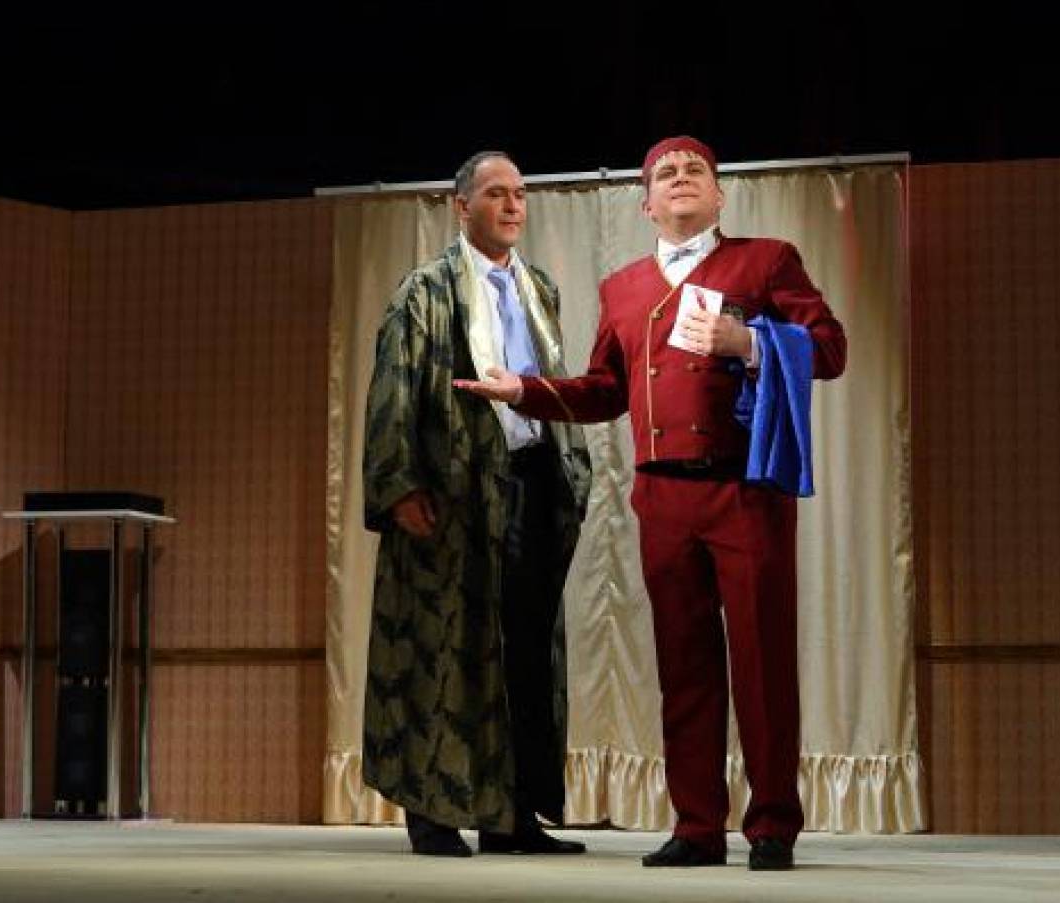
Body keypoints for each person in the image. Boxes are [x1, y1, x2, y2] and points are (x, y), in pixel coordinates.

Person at [456, 136, 846, 870]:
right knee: (683, 664)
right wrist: (524, 390)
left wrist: (749, 341)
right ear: (646, 204)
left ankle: (771, 824)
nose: (680, 178)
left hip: (745, 489)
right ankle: (697, 826)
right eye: (665, 173)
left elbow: (830, 348)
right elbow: (605, 390)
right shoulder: (624, 287)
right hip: (662, 494)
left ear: (719, 195)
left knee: (763, 660)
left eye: (695, 169)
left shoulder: (767, 261)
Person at [361, 151, 592, 857]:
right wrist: (400, 485)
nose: (513, 205)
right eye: (497, 194)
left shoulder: (538, 288)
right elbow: (394, 387)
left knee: (522, 648)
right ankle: (432, 811)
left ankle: (511, 816)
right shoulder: (426, 290)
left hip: (528, 484)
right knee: (440, 648)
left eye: (520, 194)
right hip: (453, 493)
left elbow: (549, 383)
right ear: (462, 207)